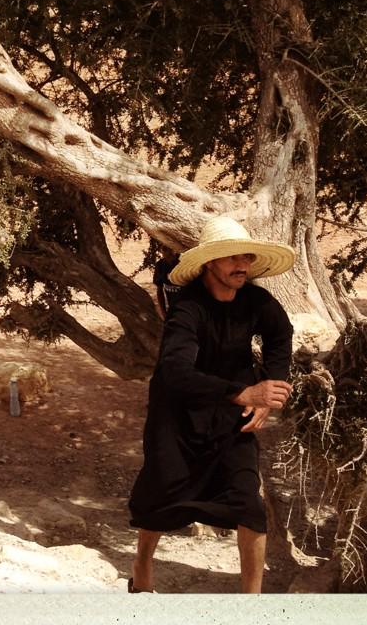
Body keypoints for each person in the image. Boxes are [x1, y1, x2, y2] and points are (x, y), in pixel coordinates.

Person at [128, 215, 295, 594]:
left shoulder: (256, 301)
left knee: (249, 504)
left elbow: (280, 334)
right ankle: (141, 567)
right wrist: (244, 393)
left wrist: (269, 391)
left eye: (247, 257)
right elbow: (174, 371)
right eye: (232, 257)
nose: (242, 265)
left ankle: (250, 607)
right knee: (159, 497)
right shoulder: (188, 309)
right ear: (209, 263)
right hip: (177, 417)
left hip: (231, 421)